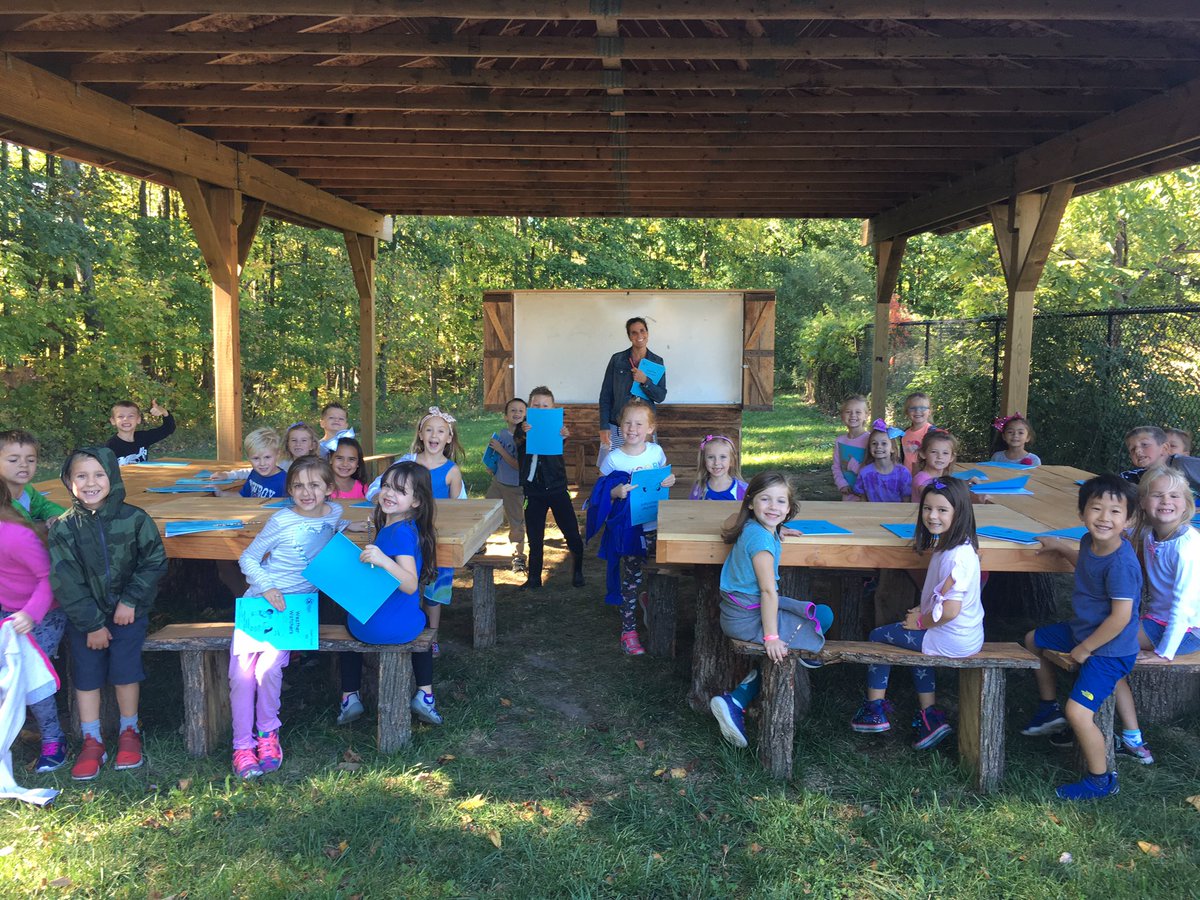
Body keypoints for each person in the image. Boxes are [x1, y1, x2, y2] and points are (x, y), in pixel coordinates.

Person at [230, 457, 365, 778]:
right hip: (261, 602)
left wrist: (347, 526)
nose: (307, 492)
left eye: (314, 485)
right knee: (240, 676)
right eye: (299, 486)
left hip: (295, 611)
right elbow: (247, 558)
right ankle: (241, 745)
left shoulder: (335, 512)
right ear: (289, 489)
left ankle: (266, 734)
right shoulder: (280, 520)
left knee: (268, 670)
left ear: (329, 489)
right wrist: (267, 586)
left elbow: (325, 527)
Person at [47, 447, 167, 780]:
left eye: (99, 474)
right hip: (86, 622)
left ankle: (130, 732)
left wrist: (130, 601)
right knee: (86, 676)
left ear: (112, 477)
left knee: (126, 671)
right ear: (69, 482)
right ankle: (92, 740)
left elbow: (154, 561)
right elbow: (65, 580)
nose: (90, 483)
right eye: (81, 476)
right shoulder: (64, 529)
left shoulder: (135, 519)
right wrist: (92, 624)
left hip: (129, 614)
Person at [1022, 474, 1142, 801]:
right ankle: (1048, 710)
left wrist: (1084, 649)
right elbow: (1086, 567)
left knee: (1079, 712)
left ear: (1129, 519)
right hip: (1083, 631)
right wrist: (1061, 547)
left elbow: (1120, 618)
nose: (1104, 518)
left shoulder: (1121, 564)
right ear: (1081, 513)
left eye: (1115, 512)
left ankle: (1101, 780)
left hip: (1110, 650)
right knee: (1034, 640)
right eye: (1096, 509)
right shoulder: (1090, 542)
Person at [850, 479, 982, 749]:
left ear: (959, 513)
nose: (932, 516)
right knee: (915, 645)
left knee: (878, 636)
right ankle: (929, 715)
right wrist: (923, 612)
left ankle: (874, 709)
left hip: (949, 637)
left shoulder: (955, 557)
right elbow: (943, 598)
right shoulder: (957, 545)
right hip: (962, 635)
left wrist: (921, 621)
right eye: (927, 508)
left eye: (942, 510)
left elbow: (951, 611)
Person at [708, 472, 834, 749]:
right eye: (765, 500)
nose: (773, 507)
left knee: (817, 614)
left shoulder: (754, 526)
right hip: (746, 619)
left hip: (739, 610)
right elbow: (768, 591)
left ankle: (749, 686)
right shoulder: (761, 543)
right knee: (822, 616)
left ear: (789, 509)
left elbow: (733, 519)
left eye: (780, 501)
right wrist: (771, 637)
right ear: (751, 502)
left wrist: (777, 528)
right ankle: (736, 701)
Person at [342, 461, 443, 728]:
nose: (389, 493)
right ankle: (425, 694)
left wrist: (384, 561)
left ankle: (349, 695)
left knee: (348, 617)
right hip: (400, 628)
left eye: (399, 490)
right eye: (386, 485)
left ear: (416, 501)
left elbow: (409, 583)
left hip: (370, 628)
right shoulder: (404, 529)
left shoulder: (399, 534)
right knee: (420, 620)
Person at [1110, 466, 1200, 765]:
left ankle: (1132, 738)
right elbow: (1126, 529)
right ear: (1144, 502)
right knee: (1102, 641)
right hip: (1158, 621)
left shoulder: (1187, 546)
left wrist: (1164, 652)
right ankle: (1126, 733)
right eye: (1157, 495)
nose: (1166, 501)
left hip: (1185, 630)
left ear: (1188, 504)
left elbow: (1184, 607)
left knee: (1104, 646)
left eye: (1175, 495)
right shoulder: (1150, 532)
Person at [594, 398, 675, 655]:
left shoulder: (656, 452)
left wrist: (669, 479)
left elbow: (663, 476)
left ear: (650, 428)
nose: (632, 428)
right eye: (627, 423)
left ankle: (649, 602)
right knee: (631, 579)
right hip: (629, 531)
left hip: (654, 525)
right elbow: (599, 495)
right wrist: (615, 492)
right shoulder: (613, 459)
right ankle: (628, 631)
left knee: (656, 571)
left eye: (639, 423)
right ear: (619, 428)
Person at [0, 480, 67, 773]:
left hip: (44, 612)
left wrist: (30, 613)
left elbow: (48, 578)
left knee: (31, 674)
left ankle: (54, 740)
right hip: (8, 612)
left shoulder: (15, 537)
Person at [517, 387, 585, 592]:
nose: (541, 409)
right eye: (536, 405)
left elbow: (560, 444)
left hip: (557, 489)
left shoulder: (558, 428)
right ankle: (534, 577)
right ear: (529, 408)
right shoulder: (523, 428)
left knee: (571, 532)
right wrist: (523, 432)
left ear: (553, 408)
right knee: (535, 537)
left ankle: (578, 570)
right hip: (534, 492)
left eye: (545, 406)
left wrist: (564, 436)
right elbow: (518, 440)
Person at [598, 316, 667, 452]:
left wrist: (645, 381)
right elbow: (605, 395)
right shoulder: (617, 359)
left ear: (647, 333)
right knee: (614, 468)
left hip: (643, 427)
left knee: (642, 466)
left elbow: (660, 396)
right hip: (617, 425)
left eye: (642, 331)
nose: (639, 335)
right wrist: (604, 426)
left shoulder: (657, 361)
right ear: (629, 336)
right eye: (634, 332)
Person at [485, 398, 528, 573]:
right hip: (498, 482)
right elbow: (495, 457)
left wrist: (501, 450)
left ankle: (518, 557)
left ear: (526, 415)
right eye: (512, 411)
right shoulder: (502, 434)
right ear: (505, 416)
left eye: (520, 411)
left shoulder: (524, 438)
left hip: (515, 487)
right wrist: (491, 465)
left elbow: (518, 465)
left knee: (516, 522)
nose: (516, 413)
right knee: (484, 514)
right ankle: (479, 547)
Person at [1, 429, 65, 526]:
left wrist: (55, 515)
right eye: (13, 460)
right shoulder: (3, 501)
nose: (24, 464)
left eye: (31, 460)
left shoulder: (28, 490)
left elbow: (44, 506)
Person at [214, 427, 287, 499]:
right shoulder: (254, 473)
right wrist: (220, 493)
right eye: (256, 458)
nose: (262, 463)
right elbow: (242, 496)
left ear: (278, 455)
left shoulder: (285, 482)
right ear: (248, 458)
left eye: (267, 457)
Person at [853, 419, 912, 503]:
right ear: (869, 448)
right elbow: (863, 499)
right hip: (873, 515)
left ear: (893, 449)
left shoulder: (903, 472)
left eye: (884, 443)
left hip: (897, 515)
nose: (878, 447)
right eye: (874, 443)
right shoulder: (865, 473)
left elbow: (907, 500)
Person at [106, 399, 176, 466]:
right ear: (113, 421)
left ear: (138, 419)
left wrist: (164, 412)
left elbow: (169, 428)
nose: (126, 419)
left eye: (131, 416)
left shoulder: (143, 438)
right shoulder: (110, 447)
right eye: (120, 416)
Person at [833, 394, 870, 501]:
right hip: (848, 494)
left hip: (868, 495)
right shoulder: (840, 441)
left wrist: (852, 466)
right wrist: (842, 484)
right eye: (848, 412)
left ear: (866, 415)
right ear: (842, 415)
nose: (853, 415)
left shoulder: (871, 440)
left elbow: (873, 469)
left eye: (858, 412)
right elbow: (836, 467)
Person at [689, 434, 747, 501]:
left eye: (723, 457)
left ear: (731, 460)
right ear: (704, 460)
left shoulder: (742, 489)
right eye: (711, 457)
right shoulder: (699, 488)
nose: (716, 463)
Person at [900, 392, 935, 475]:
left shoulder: (932, 432)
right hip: (907, 478)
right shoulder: (904, 433)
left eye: (923, 408)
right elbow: (904, 457)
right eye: (913, 408)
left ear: (929, 411)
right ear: (907, 412)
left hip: (926, 478)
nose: (917, 411)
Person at [329, 436, 368, 501]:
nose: (345, 464)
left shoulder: (362, 488)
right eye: (339, 458)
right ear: (330, 459)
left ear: (358, 463)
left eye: (351, 459)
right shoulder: (322, 486)